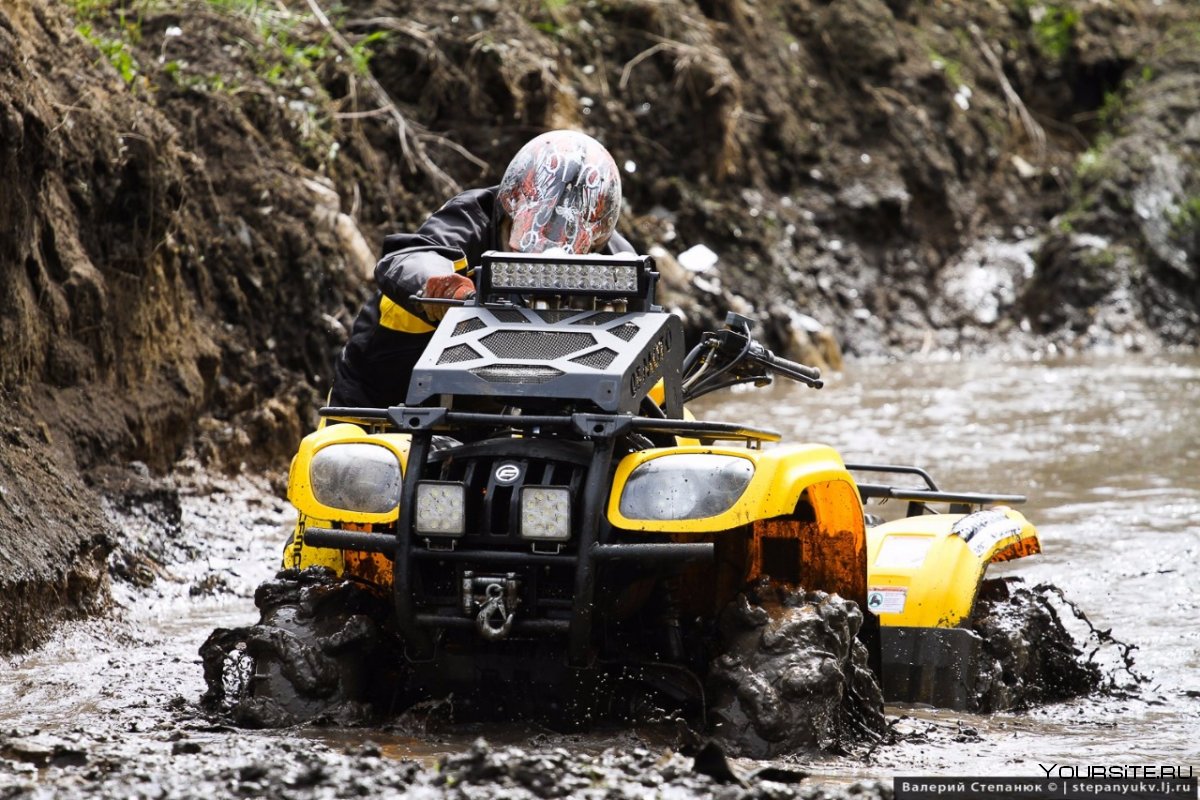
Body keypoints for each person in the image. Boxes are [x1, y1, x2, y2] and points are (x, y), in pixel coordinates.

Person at [329, 129, 635, 408]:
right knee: (401, 308)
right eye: (522, 248)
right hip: (384, 396)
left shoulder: (619, 261)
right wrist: (444, 285)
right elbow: (414, 256)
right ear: (509, 205)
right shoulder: (472, 217)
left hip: (523, 406)